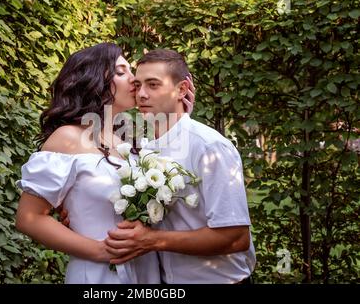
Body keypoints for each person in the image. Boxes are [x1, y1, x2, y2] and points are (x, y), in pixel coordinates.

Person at [15, 43, 194, 284]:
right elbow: (30, 217)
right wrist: (101, 251)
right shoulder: (67, 138)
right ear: (93, 81)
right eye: (121, 72)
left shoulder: (128, 140)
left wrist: (178, 113)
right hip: (100, 274)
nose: (134, 81)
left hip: (146, 272)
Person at [104, 49, 256, 284]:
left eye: (153, 85)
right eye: (138, 85)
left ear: (182, 89)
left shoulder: (209, 147)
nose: (142, 95)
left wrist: (152, 240)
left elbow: (236, 237)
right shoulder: (143, 150)